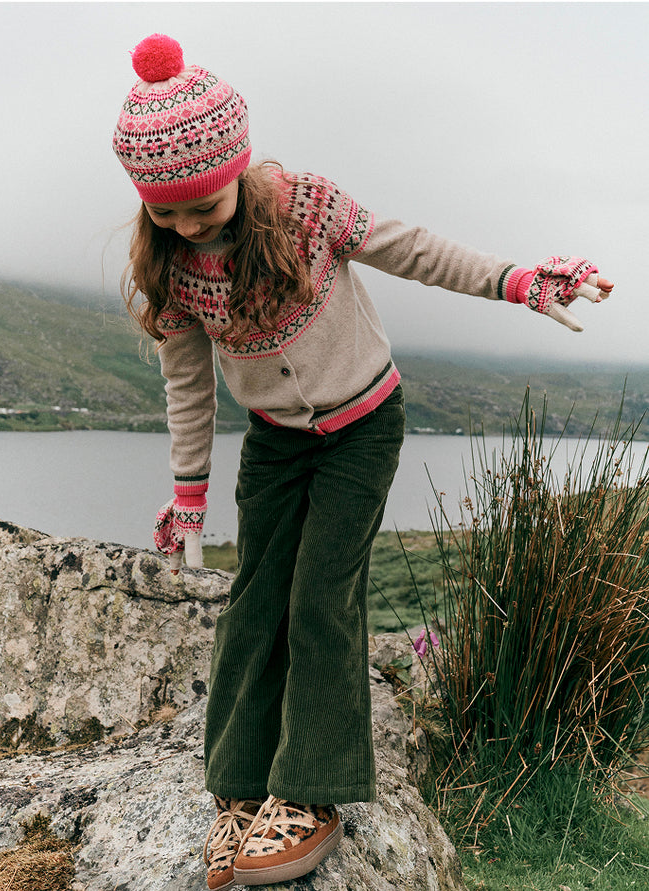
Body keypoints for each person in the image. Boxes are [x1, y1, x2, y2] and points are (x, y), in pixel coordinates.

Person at [112, 33, 613, 891]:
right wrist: (186, 499)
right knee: (254, 598)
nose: (189, 225)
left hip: (364, 425)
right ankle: (238, 785)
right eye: (168, 211)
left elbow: (413, 248)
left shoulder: (309, 210)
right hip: (274, 440)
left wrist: (519, 280)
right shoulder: (173, 268)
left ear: (234, 166)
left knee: (320, 598)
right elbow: (187, 385)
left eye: (203, 205)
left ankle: (311, 793)